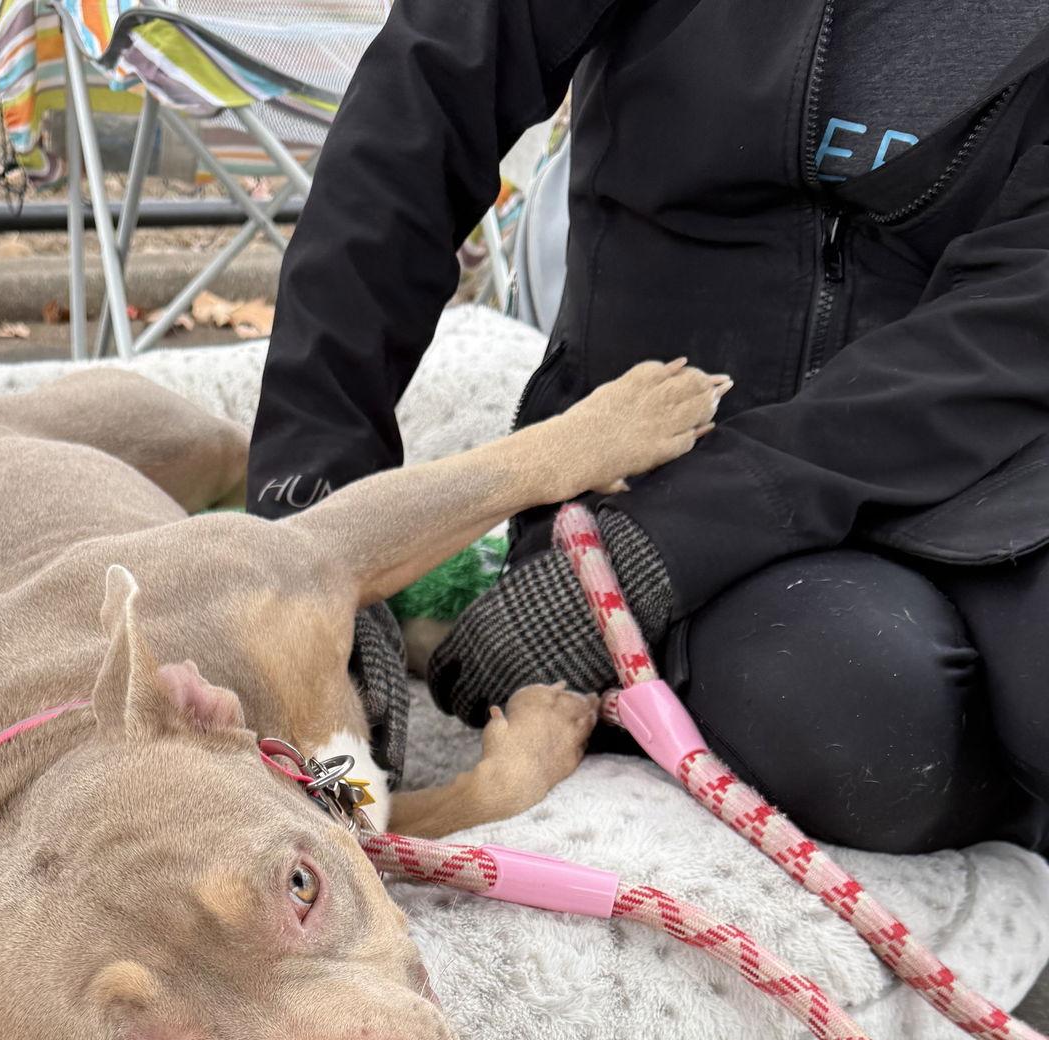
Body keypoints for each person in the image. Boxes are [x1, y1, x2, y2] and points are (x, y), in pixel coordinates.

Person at [247, 0, 1049, 855]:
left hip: (968, 457)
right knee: (861, 713)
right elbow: (421, 104)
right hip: (652, 473)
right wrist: (314, 533)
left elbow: (1017, 313)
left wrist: (669, 541)